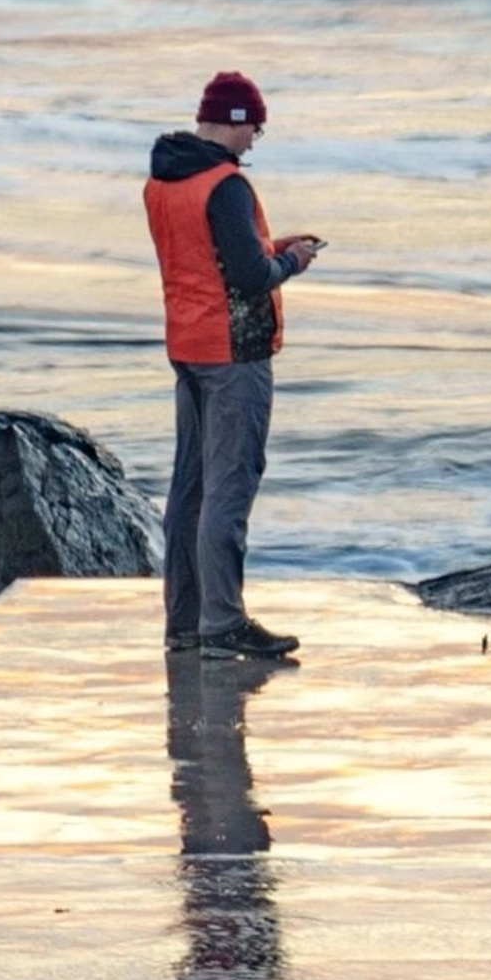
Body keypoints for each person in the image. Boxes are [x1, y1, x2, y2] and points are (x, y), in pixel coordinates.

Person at [144, 68, 324, 659]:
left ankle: (185, 623)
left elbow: (209, 258)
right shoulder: (225, 186)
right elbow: (246, 276)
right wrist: (292, 262)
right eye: (255, 132)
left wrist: (271, 246)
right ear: (234, 124)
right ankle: (223, 623)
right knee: (230, 485)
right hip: (234, 353)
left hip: (188, 347)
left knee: (189, 489)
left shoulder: (167, 178)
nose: (254, 145)